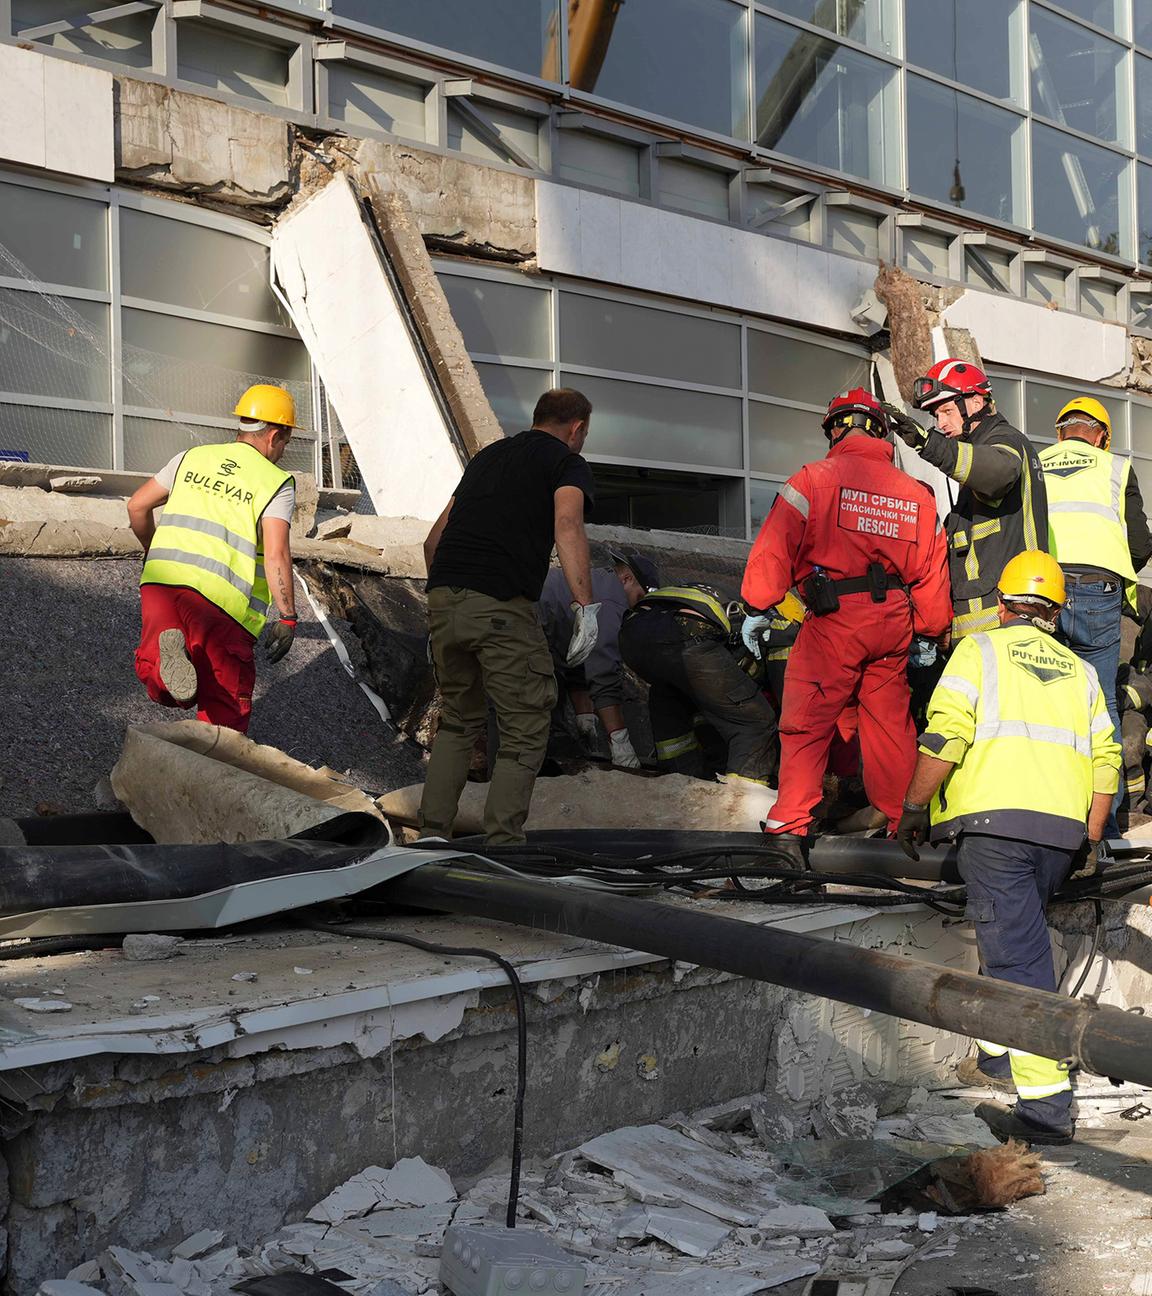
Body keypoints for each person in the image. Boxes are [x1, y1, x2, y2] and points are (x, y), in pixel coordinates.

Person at [896, 551, 1121, 1146]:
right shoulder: (1079, 672)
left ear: (1001, 605)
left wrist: (914, 807)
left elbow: (945, 735)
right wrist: (1092, 837)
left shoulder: (980, 651)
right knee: (1011, 941)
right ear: (1056, 613)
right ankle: (999, 1057)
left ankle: (1046, 1110)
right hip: (1060, 836)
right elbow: (1107, 759)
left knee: (1019, 961)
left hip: (997, 830)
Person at [742, 388, 951, 863]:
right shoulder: (917, 495)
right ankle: (905, 826)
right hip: (894, 623)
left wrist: (757, 605)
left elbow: (775, 550)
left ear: (835, 429)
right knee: (890, 725)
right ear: (881, 430)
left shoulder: (814, 479)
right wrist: (929, 630)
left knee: (807, 722)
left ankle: (789, 831)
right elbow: (931, 574)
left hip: (836, 620)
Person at [420, 387, 597, 845]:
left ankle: (432, 836)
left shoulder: (487, 458)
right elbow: (568, 525)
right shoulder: (565, 461)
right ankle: (504, 847)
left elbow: (433, 541)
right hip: (500, 605)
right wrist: (584, 605)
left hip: (445, 596)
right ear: (576, 429)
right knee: (524, 728)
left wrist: (444, 605)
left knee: (459, 722)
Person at [126, 384, 299, 734]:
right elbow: (277, 554)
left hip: (161, 583)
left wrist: (152, 552)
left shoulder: (191, 457)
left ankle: (166, 664)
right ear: (274, 435)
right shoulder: (275, 482)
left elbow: (137, 505)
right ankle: (214, 779)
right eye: (286, 442)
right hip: (219, 603)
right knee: (225, 709)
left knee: (160, 679)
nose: (283, 452)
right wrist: (288, 617)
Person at [1039, 397, 1152, 835]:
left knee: (1049, 696)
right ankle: (1103, 820)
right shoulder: (1116, 468)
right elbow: (1140, 543)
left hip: (1040, 592)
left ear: (1061, 430)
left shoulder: (1036, 461)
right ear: (1102, 435)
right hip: (1097, 592)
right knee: (1100, 699)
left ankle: (1051, 806)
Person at [886, 359, 1048, 641]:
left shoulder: (1005, 440)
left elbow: (997, 472)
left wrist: (928, 444)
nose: (942, 423)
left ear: (975, 402)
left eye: (947, 411)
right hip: (987, 624)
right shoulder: (977, 449)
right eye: (937, 415)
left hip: (1005, 621)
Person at [618, 581, 779, 805]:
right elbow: (748, 676)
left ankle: (677, 796)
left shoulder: (728, 595)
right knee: (755, 723)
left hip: (634, 634)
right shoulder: (773, 623)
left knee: (672, 700)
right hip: (690, 631)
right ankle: (740, 807)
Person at [538, 548, 658, 768]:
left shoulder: (596, 583)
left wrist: (586, 720)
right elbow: (602, 674)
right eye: (640, 596)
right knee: (529, 711)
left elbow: (576, 661)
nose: (638, 607)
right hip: (526, 626)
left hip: (535, 629)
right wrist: (621, 743)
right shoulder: (612, 601)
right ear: (627, 579)